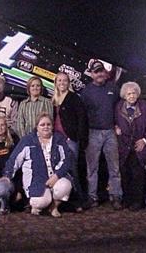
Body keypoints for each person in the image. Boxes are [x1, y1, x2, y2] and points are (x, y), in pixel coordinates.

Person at [0, 112, 73, 218]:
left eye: (48, 124)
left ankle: (54, 206)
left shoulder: (59, 139)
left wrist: (56, 176)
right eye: (42, 125)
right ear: (37, 127)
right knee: (40, 201)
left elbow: (67, 159)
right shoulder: (27, 140)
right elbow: (14, 160)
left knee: (65, 186)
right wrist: (7, 175)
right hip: (36, 179)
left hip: (55, 177)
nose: (46, 127)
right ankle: (38, 205)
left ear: (52, 126)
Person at [81, 60, 123, 210]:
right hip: (93, 132)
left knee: (114, 167)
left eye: (101, 71)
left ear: (105, 73)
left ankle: (116, 196)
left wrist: (119, 125)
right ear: (92, 74)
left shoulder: (114, 89)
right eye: (96, 71)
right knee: (92, 168)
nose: (99, 74)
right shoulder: (86, 92)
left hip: (111, 132)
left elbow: (120, 108)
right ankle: (92, 197)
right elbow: (82, 115)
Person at [115, 82, 146, 211]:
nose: (131, 96)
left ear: (137, 94)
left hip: (140, 148)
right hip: (124, 147)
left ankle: (138, 202)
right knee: (125, 174)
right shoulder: (118, 107)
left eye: (133, 93)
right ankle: (127, 200)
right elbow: (114, 121)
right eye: (129, 93)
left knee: (138, 175)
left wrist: (144, 140)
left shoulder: (144, 107)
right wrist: (115, 127)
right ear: (124, 95)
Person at [52, 72, 89, 211]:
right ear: (56, 82)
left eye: (65, 80)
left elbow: (82, 119)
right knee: (61, 170)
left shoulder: (74, 98)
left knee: (73, 170)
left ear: (69, 83)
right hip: (57, 140)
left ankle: (80, 200)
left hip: (70, 139)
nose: (62, 83)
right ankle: (64, 200)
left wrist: (79, 138)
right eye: (59, 80)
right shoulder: (54, 99)